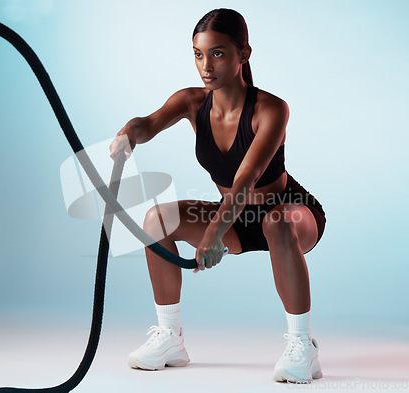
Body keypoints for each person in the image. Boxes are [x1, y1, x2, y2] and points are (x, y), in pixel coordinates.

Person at [109, 8, 326, 384]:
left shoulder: (271, 109)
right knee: (156, 219)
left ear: (244, 54)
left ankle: (302, 347)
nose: (205, 65)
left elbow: (247, 178)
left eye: (218, 53)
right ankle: (169, 338)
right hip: (236, 217)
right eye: (198, 54)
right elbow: (148, 123)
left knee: (276, 222)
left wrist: (213, 233)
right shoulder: (192, 102)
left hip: (290, 211)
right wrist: (128, 133)